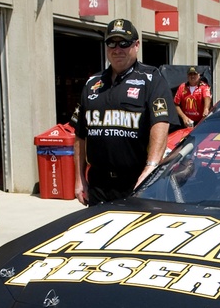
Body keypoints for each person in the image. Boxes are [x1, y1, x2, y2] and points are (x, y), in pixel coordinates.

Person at [73, 18, 174, 205]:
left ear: (136, 45)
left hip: (135, 181)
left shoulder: (151, 79)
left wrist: (151, 168)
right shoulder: (92, 83)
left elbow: (160, 123)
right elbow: (80, 135)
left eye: (124, 43)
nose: (117, 49)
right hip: (98, 184)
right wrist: (79, 178)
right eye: (112, 43)